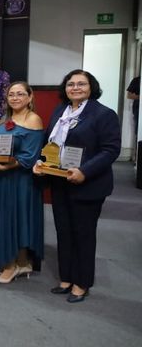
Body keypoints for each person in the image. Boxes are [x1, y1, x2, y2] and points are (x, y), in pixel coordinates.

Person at [34, 70, 121, 303]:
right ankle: (66, 278)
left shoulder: (104, 114)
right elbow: (50, 142)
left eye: (81, 84)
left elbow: (110, 150)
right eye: (71, 84)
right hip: (60, 180)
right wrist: (42, 162)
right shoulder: (60, 111)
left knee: (83, 234)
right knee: (63, 231)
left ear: (91, 87)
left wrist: (85, 171)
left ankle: (81, 282)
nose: (75, 88)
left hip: (88, 184)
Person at [0, 82, 44, 284]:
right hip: (2, 178)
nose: (15, 98)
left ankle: (11, 266)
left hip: (21, 181)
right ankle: (21, 263)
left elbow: (31, 155)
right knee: (9, 220)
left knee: (17, 221)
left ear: (30, 97)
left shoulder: (33, 120)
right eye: (11, 94)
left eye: (20, 94)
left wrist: (7, 167)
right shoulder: (5, 119)